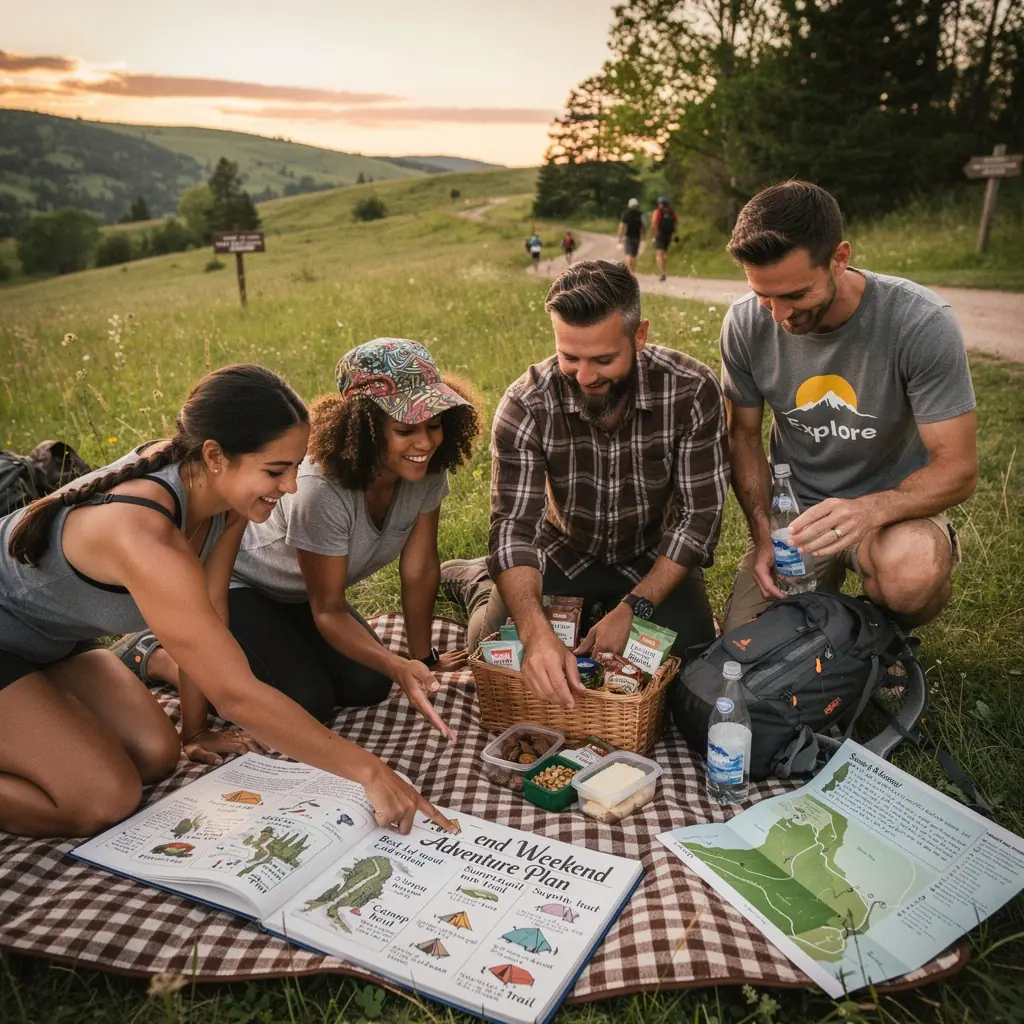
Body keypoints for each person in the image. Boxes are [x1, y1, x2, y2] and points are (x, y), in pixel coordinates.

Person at [0, 364, 453, 839]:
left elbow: (213, 618)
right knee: (105, 799)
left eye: (296, 467)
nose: (292, 486)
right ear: (216, 455)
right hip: (10, 639)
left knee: (157, 757)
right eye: (276, 470)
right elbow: (235, 693)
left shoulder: (220, 494)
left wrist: (193, 732)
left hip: (57, 641)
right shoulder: (142, 535)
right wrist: (369, 771)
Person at [120, 339, 482, 741]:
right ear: (364, 428)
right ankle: (157, 656)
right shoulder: (319, 489)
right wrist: (395, 663)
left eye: (434, 425)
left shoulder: (427, 470)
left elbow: (420, 570)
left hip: (300, 595)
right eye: (405, 429)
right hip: (244, 586)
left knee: (369, 684)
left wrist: (421, 660)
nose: (426, 443)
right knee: (309, 702)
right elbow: (327, 609)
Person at [442, 260, 729, 707]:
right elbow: (515, 527)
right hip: (560, 553)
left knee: (690, 662)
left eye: (603, 360)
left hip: (653, 558)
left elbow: (699, 520)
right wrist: (535, 632)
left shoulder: (691, 390)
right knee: (500, 647)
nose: (585, 377)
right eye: (569, 358)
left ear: (639, 336)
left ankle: (612, 607)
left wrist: (635, 610)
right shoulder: (526, 403)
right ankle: (479, 579)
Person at [719, 180, 977, 632]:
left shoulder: (919, 322)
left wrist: (870, 510)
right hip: (795, 519)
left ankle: (886, 637)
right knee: (744, 639)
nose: (778, 314)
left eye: (796, 295)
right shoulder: (744, 323)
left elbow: (958, 467)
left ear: (839, 259)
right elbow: (742, 437)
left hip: (891, 515)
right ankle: (840, 629)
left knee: (911, 576)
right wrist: (764, 531)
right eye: (764, 295)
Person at [650, 196, 677, 281]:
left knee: (659, 254)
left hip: (660, 235)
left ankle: (662, 273)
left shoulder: (658, 212)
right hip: (668, 235)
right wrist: (674, 233)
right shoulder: (671, 212)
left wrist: (653, 235)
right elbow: (676, 223)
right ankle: (664, 270)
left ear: (660, 204)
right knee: (664, 253)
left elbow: (654, 224)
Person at [616, 198, 645, 272]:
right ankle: (633, 272)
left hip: (628, 237)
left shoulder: (626, 213)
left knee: (628, 254)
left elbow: (621, 226)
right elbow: (643, 226)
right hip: (637, 237)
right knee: (634, 255)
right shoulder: (640, 214)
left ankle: (628, 272)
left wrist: (619, 237)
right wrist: (644, 236)